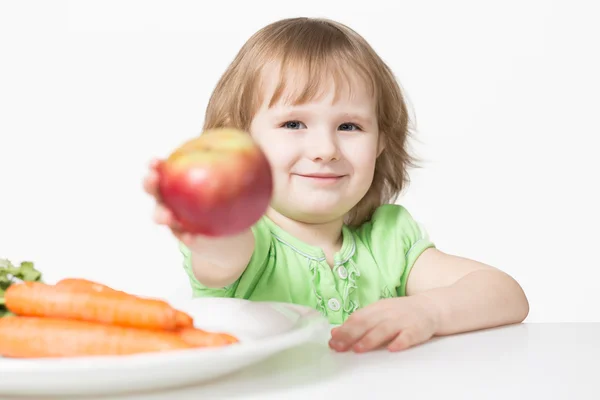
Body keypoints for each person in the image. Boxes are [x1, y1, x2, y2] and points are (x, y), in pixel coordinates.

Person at [143, 17, 529, 353]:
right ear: (240, 139)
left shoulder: (387, 239)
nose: (325, 149)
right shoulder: (250, 241)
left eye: (350, 126)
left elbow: (505, 294)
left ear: (380, 142)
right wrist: (209, 221)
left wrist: (427, 310)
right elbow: (223, 254)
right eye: (293, 124)